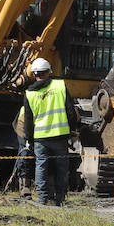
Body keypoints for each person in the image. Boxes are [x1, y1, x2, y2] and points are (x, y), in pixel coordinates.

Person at [22, 57, 78, 205]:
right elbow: (70, 111)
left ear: (34, 74)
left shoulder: (29, 93)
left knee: (41, 166)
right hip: (60, 136)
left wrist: (29, 139)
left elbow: (28, 120)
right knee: (61, 168)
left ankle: (42, 198)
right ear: (49, 72)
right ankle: (59, 199)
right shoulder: (60, 86)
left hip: (40, 138)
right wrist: (73, 130)